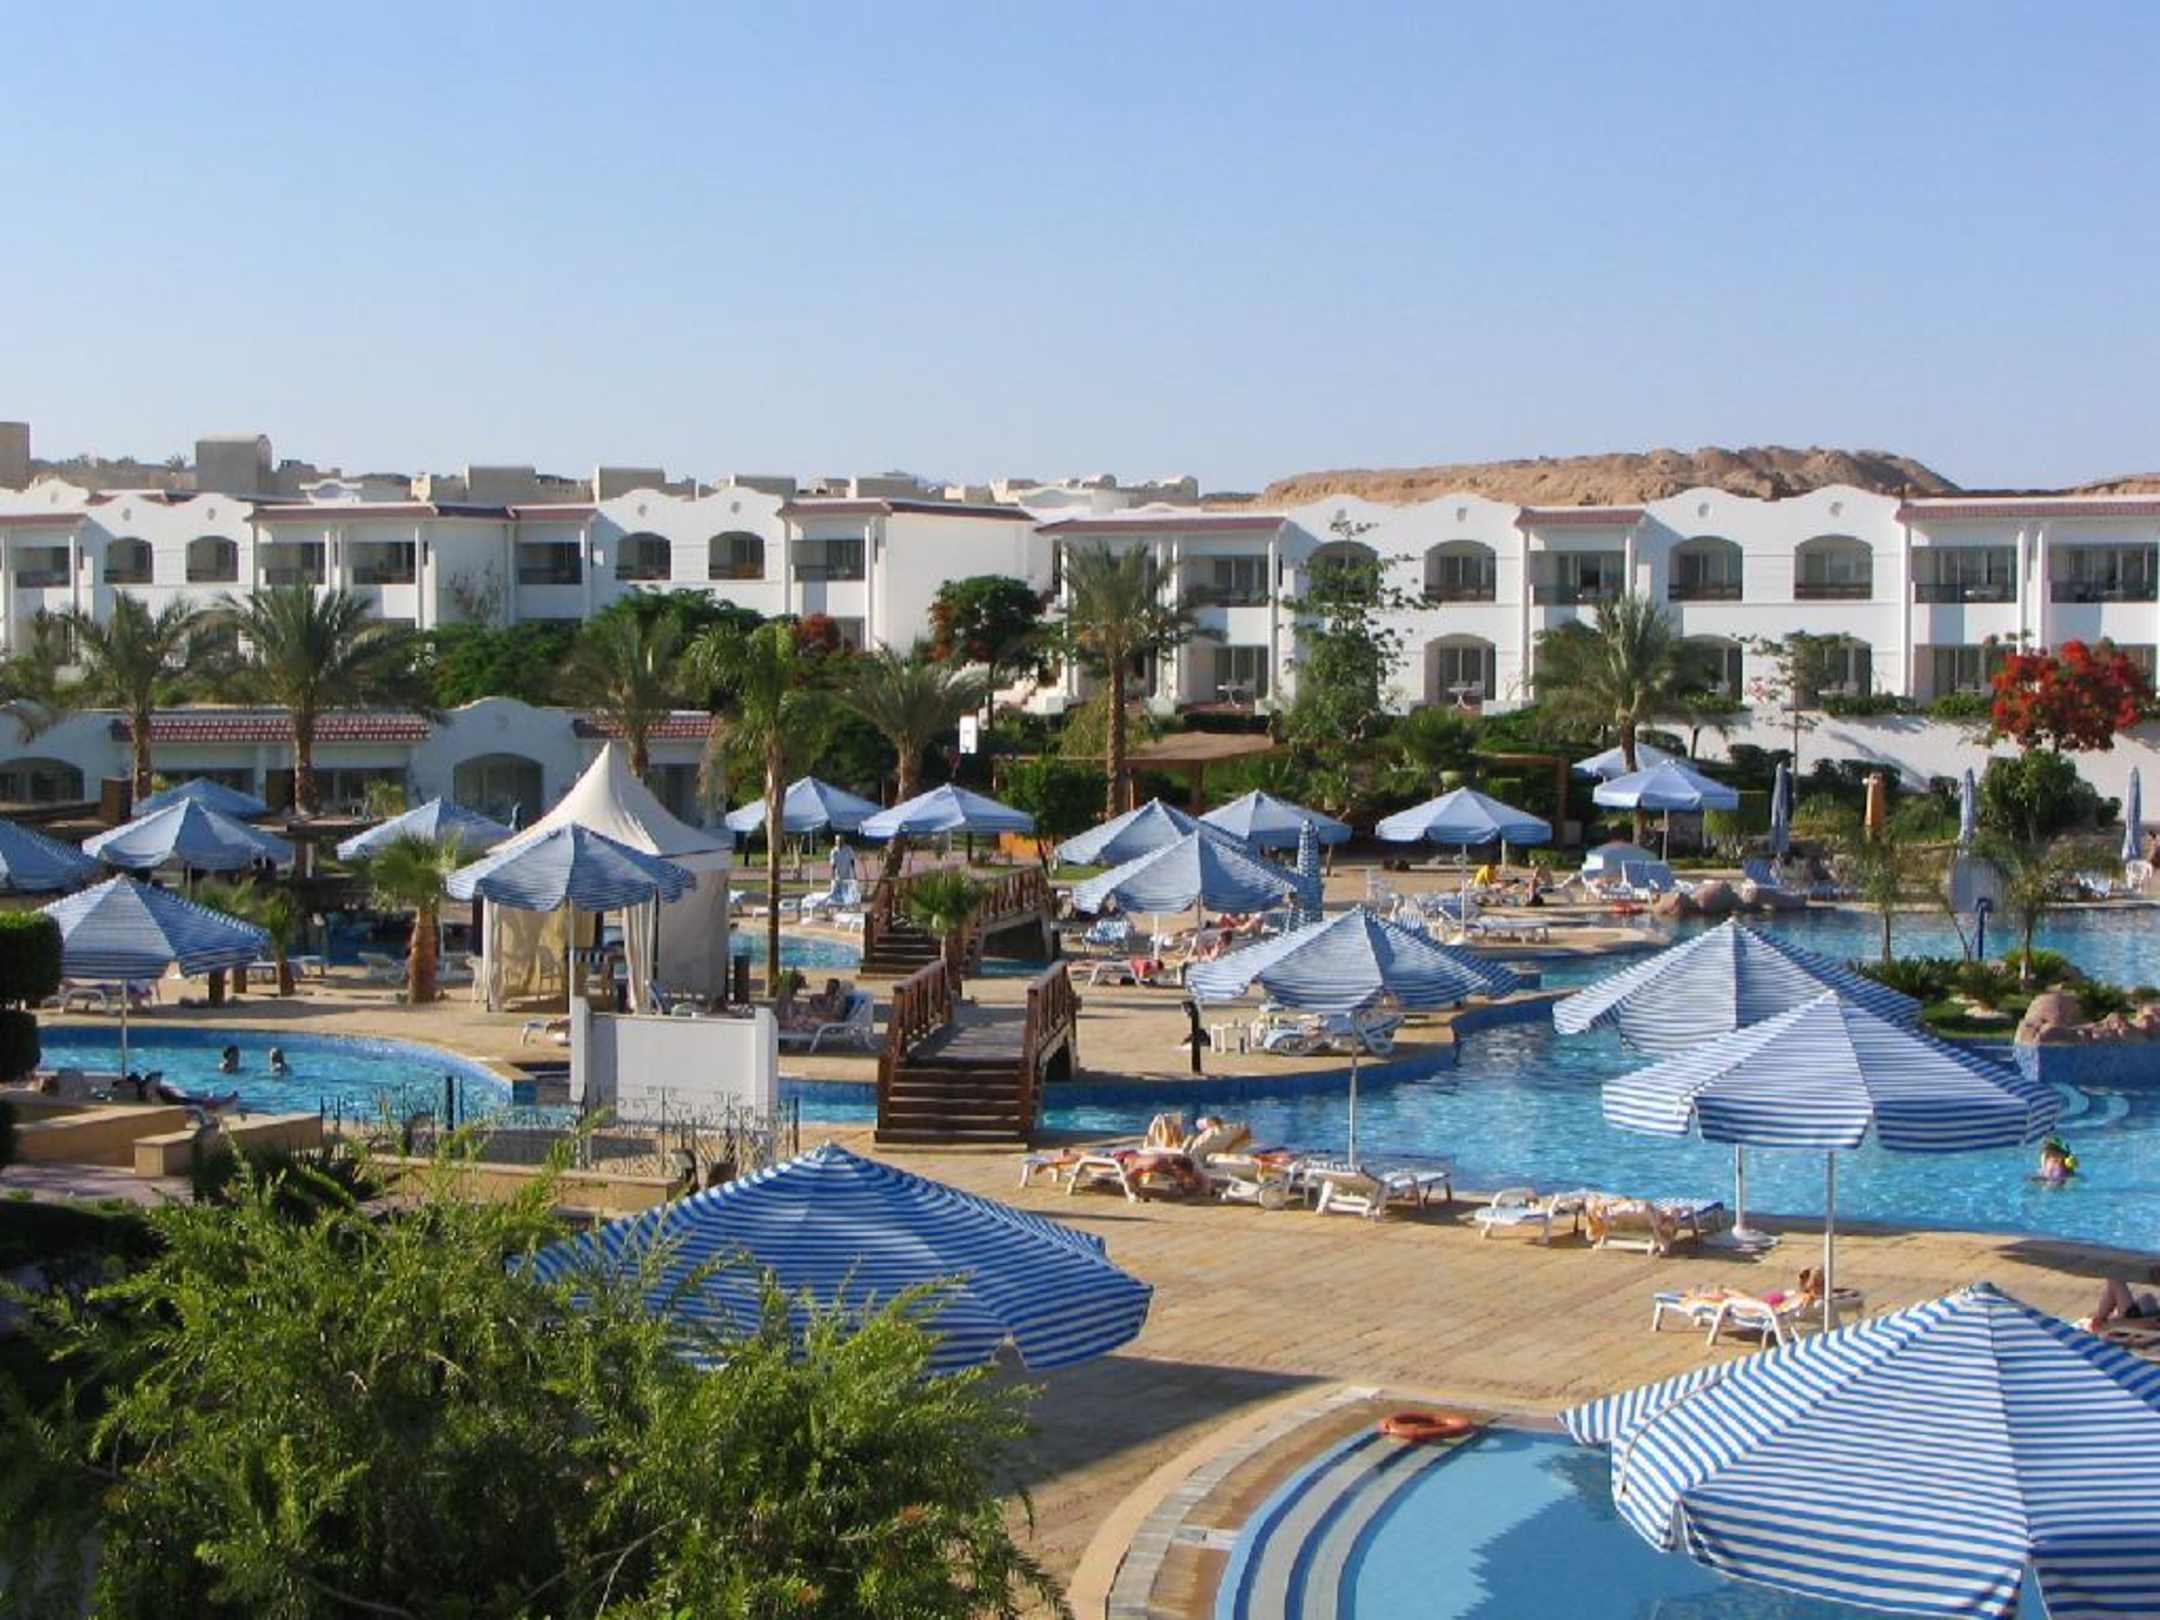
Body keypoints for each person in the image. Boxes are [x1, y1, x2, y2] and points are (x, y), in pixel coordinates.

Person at [2091, 1271, 2160, 1330]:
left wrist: (2113, 1324)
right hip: (2138, 1317)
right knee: (2115, 1280)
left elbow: (2152, 1324)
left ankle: (2099, 1322)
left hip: (2135, 1325)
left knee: (2115, 1280)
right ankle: (2099, 1320)